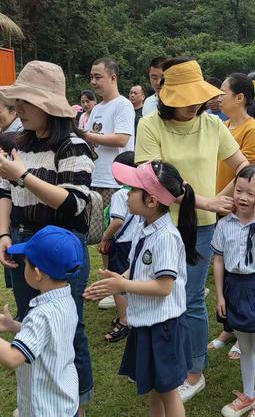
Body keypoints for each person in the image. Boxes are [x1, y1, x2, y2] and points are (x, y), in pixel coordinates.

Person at [135, 57, 249, 402]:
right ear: (166, 95)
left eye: (194, 99)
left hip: (200, 228)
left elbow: (242, 166)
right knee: (161, 295)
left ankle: (194, 370)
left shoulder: (213, 125)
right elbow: (150, 178)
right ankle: (164, 364)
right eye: (181, 99)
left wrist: (221, 198)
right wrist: (206, 201)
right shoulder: (150, 125)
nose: (189, 106)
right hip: (159, 225)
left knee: (192, 300)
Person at [0, 61, 95, 415]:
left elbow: (73, 204)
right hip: (24, 242)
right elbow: (3, 193)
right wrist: (4, 233)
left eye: (26, 101)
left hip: (61, 246)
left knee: (70, 328)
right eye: (18, 100)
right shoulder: (17, 142)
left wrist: (22, 174)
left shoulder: (74, 147)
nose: (18, 108)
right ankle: (37, 397)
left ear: (48, 106)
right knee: (31, 320)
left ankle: (75, 403)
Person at [84, 160, 196, 417]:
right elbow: (140, 270)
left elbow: (164, 286)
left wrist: (122, 284)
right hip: (146, 323)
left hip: (163, 327)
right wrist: (116, 279)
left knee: (168, 391)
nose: (127, 194)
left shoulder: (166, 237)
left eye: (133, 189)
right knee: (153, 388)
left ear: (152, 201)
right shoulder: (145, 228)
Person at [212, 166, 255, 417]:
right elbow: (218, 260)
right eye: (239, 190)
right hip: (233, 288)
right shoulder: (225, 224)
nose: (243, 197)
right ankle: (249, 395)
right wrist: (220, 295)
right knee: (245, 347)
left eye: (252, 194)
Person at [210, 73, 255, 359]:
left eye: (223, 92)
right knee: (227, 265)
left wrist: (222, 197)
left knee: (244, 267)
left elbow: (248, 174)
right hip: (220, 202)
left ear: (240, 97)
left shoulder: (252, 129)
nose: (219, 97)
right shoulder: (224, 125)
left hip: (237, 206)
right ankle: (230, 326)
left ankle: (241, 330)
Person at [0, 226, 83, 417]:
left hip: (45, 409)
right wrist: (14, 326)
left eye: (25, 263)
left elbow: (13, 358)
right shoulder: (66, 299)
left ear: (37, 273)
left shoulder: (42, 314)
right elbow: (49, 334)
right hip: (64, 403)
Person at [97, 151, 141, 342]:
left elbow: (117, 221)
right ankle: (130, 316)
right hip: (134, 242)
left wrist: (105, 238)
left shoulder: (120, 195)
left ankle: (124, 322)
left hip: (121, 244)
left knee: (118, 284)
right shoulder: (139, 191)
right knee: (131, 280)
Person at [85, 57, 135, 207]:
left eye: (98, 77)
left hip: (115, 181)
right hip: (95, 178)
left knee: (112, 227)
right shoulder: (97, 108)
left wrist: (86, 135)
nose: (93, 82)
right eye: (91, 77)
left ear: (113, 78)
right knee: (96, 229)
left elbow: (121, 139)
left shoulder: (123, 105)